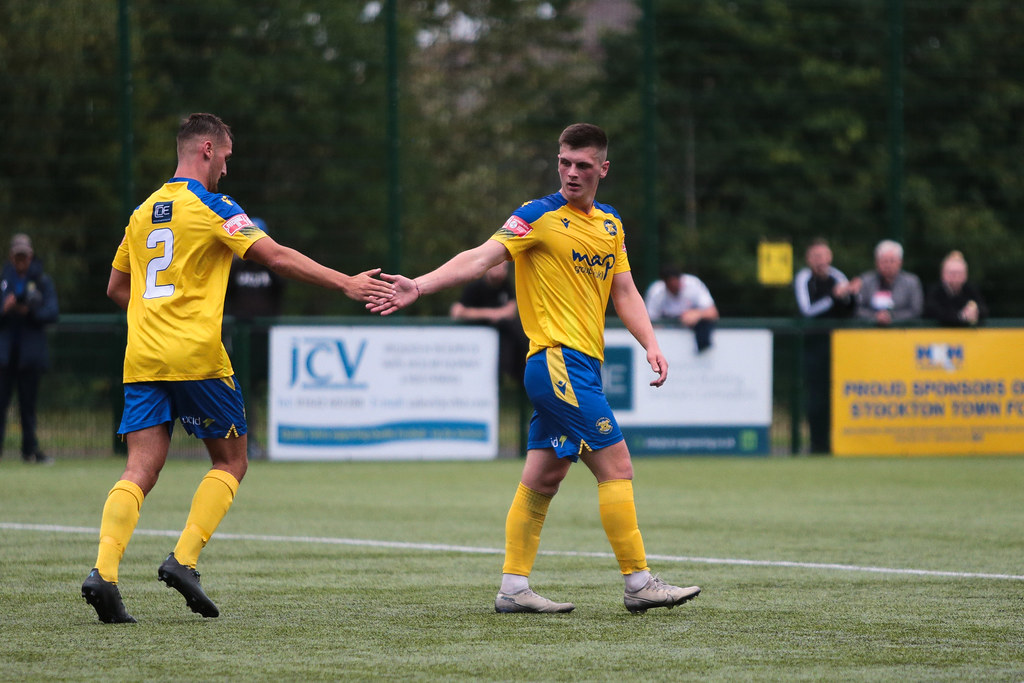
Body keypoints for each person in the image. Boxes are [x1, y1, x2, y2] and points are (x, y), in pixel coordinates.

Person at [370, 123, 700, 614]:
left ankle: (513, 588)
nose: (570, 172)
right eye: (564, 161)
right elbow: (480, 258)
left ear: (602, 169)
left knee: (543, 480)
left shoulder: (611, 224)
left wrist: (650, 342)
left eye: (582, 164)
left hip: (580, 366)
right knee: (617, 467)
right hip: (556, 362)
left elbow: (624, 291)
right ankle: (639, 583)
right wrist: (419, 285)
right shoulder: (537, 216)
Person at [81, 112, 393, 624]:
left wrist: (154, 317)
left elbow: (117, 288)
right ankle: (183, 560)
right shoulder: (213, 206)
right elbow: (276, 257)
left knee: (139, 470)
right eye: (225, 156)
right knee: (231, 461)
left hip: (143, 357)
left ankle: (104, 572)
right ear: (206, 149)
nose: (226, 167)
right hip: (197, 357)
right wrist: (346, 284)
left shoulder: (142, 213)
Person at [793, 239, 860, 454]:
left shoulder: (838, 277)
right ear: (809, 259)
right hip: (815, 345)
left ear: (830, 257)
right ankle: (817, 445)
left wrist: (850, 295)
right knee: (817, 396)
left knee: (840, 395)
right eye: (816, 256)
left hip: (841, 345)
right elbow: (807, 310)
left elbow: (850, 310)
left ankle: (841, 443)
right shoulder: (804, 278)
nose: (821, 261)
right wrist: (834, 297)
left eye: (824, 256)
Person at [0, 234, 59, 464]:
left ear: (31, 256)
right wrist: (5, 308)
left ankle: (30, 451)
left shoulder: (42, 282)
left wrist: (30, 312)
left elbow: (52, 312)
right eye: (17, 257)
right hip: (5, 356)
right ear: (11, 257)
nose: (21, 261)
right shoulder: (3, 280)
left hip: (30, 356)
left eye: (24, 256)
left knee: (28, 407)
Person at [450, 260, 528, 383]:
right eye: (497, 267)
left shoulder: (506, 285)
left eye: (504, 268)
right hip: (473, 343)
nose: (500, 271)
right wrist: (490, 314)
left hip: (502, 340)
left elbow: (511, 310)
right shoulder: (475, 286)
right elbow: (457, 311)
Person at [644, 266, 718, 352]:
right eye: (671, 285)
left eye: (676, 282)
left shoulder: (694, 284)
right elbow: (649, 322)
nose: (675, 286)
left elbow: (713, 313)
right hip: (666, 344)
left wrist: (697, 314)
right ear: (664, 283)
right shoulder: (656, 292)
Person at [225, 217, 285, 320]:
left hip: (266, 324)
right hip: (239, 325)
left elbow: (280, 289)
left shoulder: (271, 267)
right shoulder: (237, 267)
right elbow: (227, 291)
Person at [855, 239, 923, 325]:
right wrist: (875, 316)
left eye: (892, 261)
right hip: (868, 333)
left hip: (902, 333)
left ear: (900, 262)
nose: (888, 265)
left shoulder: (912, 282)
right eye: (884, 261)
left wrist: (892, 316)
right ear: (876, 262)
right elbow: (857, 308)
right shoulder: (865, 280)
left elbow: (916, 310)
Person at [924, 250, 988, 327]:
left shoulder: (970, 289)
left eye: (959, 273)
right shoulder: (934, 291)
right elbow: (932, 312)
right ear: (943, 274)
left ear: (965, 275)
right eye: (952, 273)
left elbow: (984, 309)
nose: (955, 276)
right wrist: (961, 316)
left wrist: (975, 311)